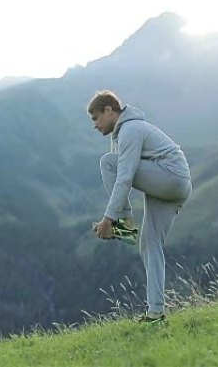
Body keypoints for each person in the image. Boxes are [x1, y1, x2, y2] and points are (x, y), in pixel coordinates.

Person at [87, 90, 192, 323]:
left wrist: (110, 220)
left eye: (95, 118)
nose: (94, 125)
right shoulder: (123, 133)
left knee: (108, 163)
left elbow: (124, 178)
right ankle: (156, 312)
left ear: (109, 110)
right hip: (174, 186)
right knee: (149, 244)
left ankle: (123, 224)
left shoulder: (130, 130)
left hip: (169, 177)